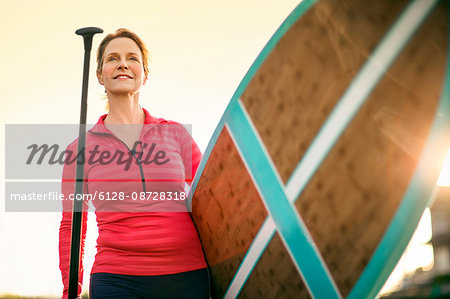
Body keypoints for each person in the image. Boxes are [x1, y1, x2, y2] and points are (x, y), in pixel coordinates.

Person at [59, 28, 210, 299]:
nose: (123, 63)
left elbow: (211, 197)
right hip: (117, 279)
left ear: (145, 74)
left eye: (132, 58)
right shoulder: (78, 151)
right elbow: (72, 226)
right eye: (112, 58)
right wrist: (71, 288)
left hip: (186, 275)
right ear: (100, 75)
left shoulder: (175, 134)